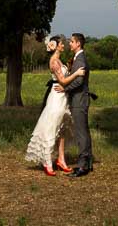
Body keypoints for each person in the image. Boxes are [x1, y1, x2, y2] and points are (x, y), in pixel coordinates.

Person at [25, 34, 85, 176]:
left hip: (63, 97)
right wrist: (76, 73)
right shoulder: (54, 62)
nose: (64, 45)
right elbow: (63, 82)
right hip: (57, 97)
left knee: (62, 129)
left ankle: (61, 160)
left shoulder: (59, 60)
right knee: (52, 128)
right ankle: (47, 162)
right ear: (56, 46)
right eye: (61, 44)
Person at [54, 32, 93, 177]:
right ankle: (87, 163)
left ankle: (83, 167)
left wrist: (65, 88)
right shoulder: (78, 58)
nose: (69, 43)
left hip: (79, 100)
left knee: (81, 133)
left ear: (78, 44)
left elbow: (79, 81)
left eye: (71, 41)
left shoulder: (80, 59)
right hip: (80, 100)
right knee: (84, 132)